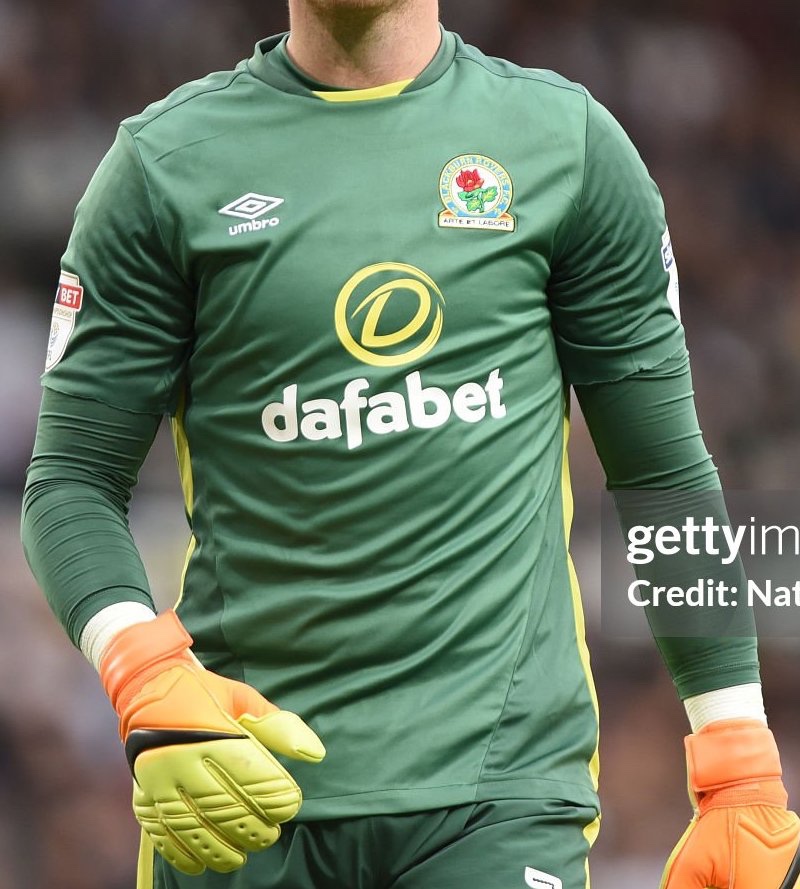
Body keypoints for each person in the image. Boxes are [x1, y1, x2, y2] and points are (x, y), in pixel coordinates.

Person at [20, 2, 800, 888]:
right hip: (237, 790)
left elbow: (664, 478)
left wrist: (739, 763)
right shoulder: (164, 168)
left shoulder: (565, 146)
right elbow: (69, 483)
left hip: (496, 805)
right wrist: (142, 671)